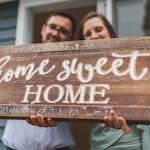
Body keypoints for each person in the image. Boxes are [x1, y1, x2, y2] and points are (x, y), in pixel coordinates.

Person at [2, 11, 76, 150]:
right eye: (52, 27)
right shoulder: (16, 61)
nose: (55, 33)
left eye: (63, 31)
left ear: (70, 38)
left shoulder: (77, 69)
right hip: (13, 146)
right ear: (43, 29)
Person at [78, 12, 150, 150]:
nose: (94, 35)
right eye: (87, 34)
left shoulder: (134, 60)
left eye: (98, 29)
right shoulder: (79, 73)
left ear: (109, 32)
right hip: (105, 141)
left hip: (138, 136)